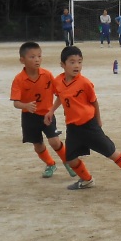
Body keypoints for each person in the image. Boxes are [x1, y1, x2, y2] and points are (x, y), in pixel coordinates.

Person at [51, 45, 121, 192]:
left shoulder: (85, 83)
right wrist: (51, 111)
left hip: (89, 125)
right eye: (72, 62)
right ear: (62, 65)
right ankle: (87, 180)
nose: (77, 65)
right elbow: (61, 96)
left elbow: (94, 102)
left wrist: (98, 120)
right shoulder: (58, 81)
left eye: (79, 62)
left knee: (111, 152)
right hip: (72, 127)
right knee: (70, 159)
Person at [10, 42, 75, 179]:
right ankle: (50, 164)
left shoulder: (47, 75)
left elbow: (60, 94)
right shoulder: (19, 79)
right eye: (32, 57)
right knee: (38, 145)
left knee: (54, 141)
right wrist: (25, 106)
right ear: (22, 60)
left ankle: (68, 161)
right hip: (29, 117)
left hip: (47, 115)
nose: (37, 59)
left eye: (39, 56)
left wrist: (53, 109)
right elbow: (16, 103)